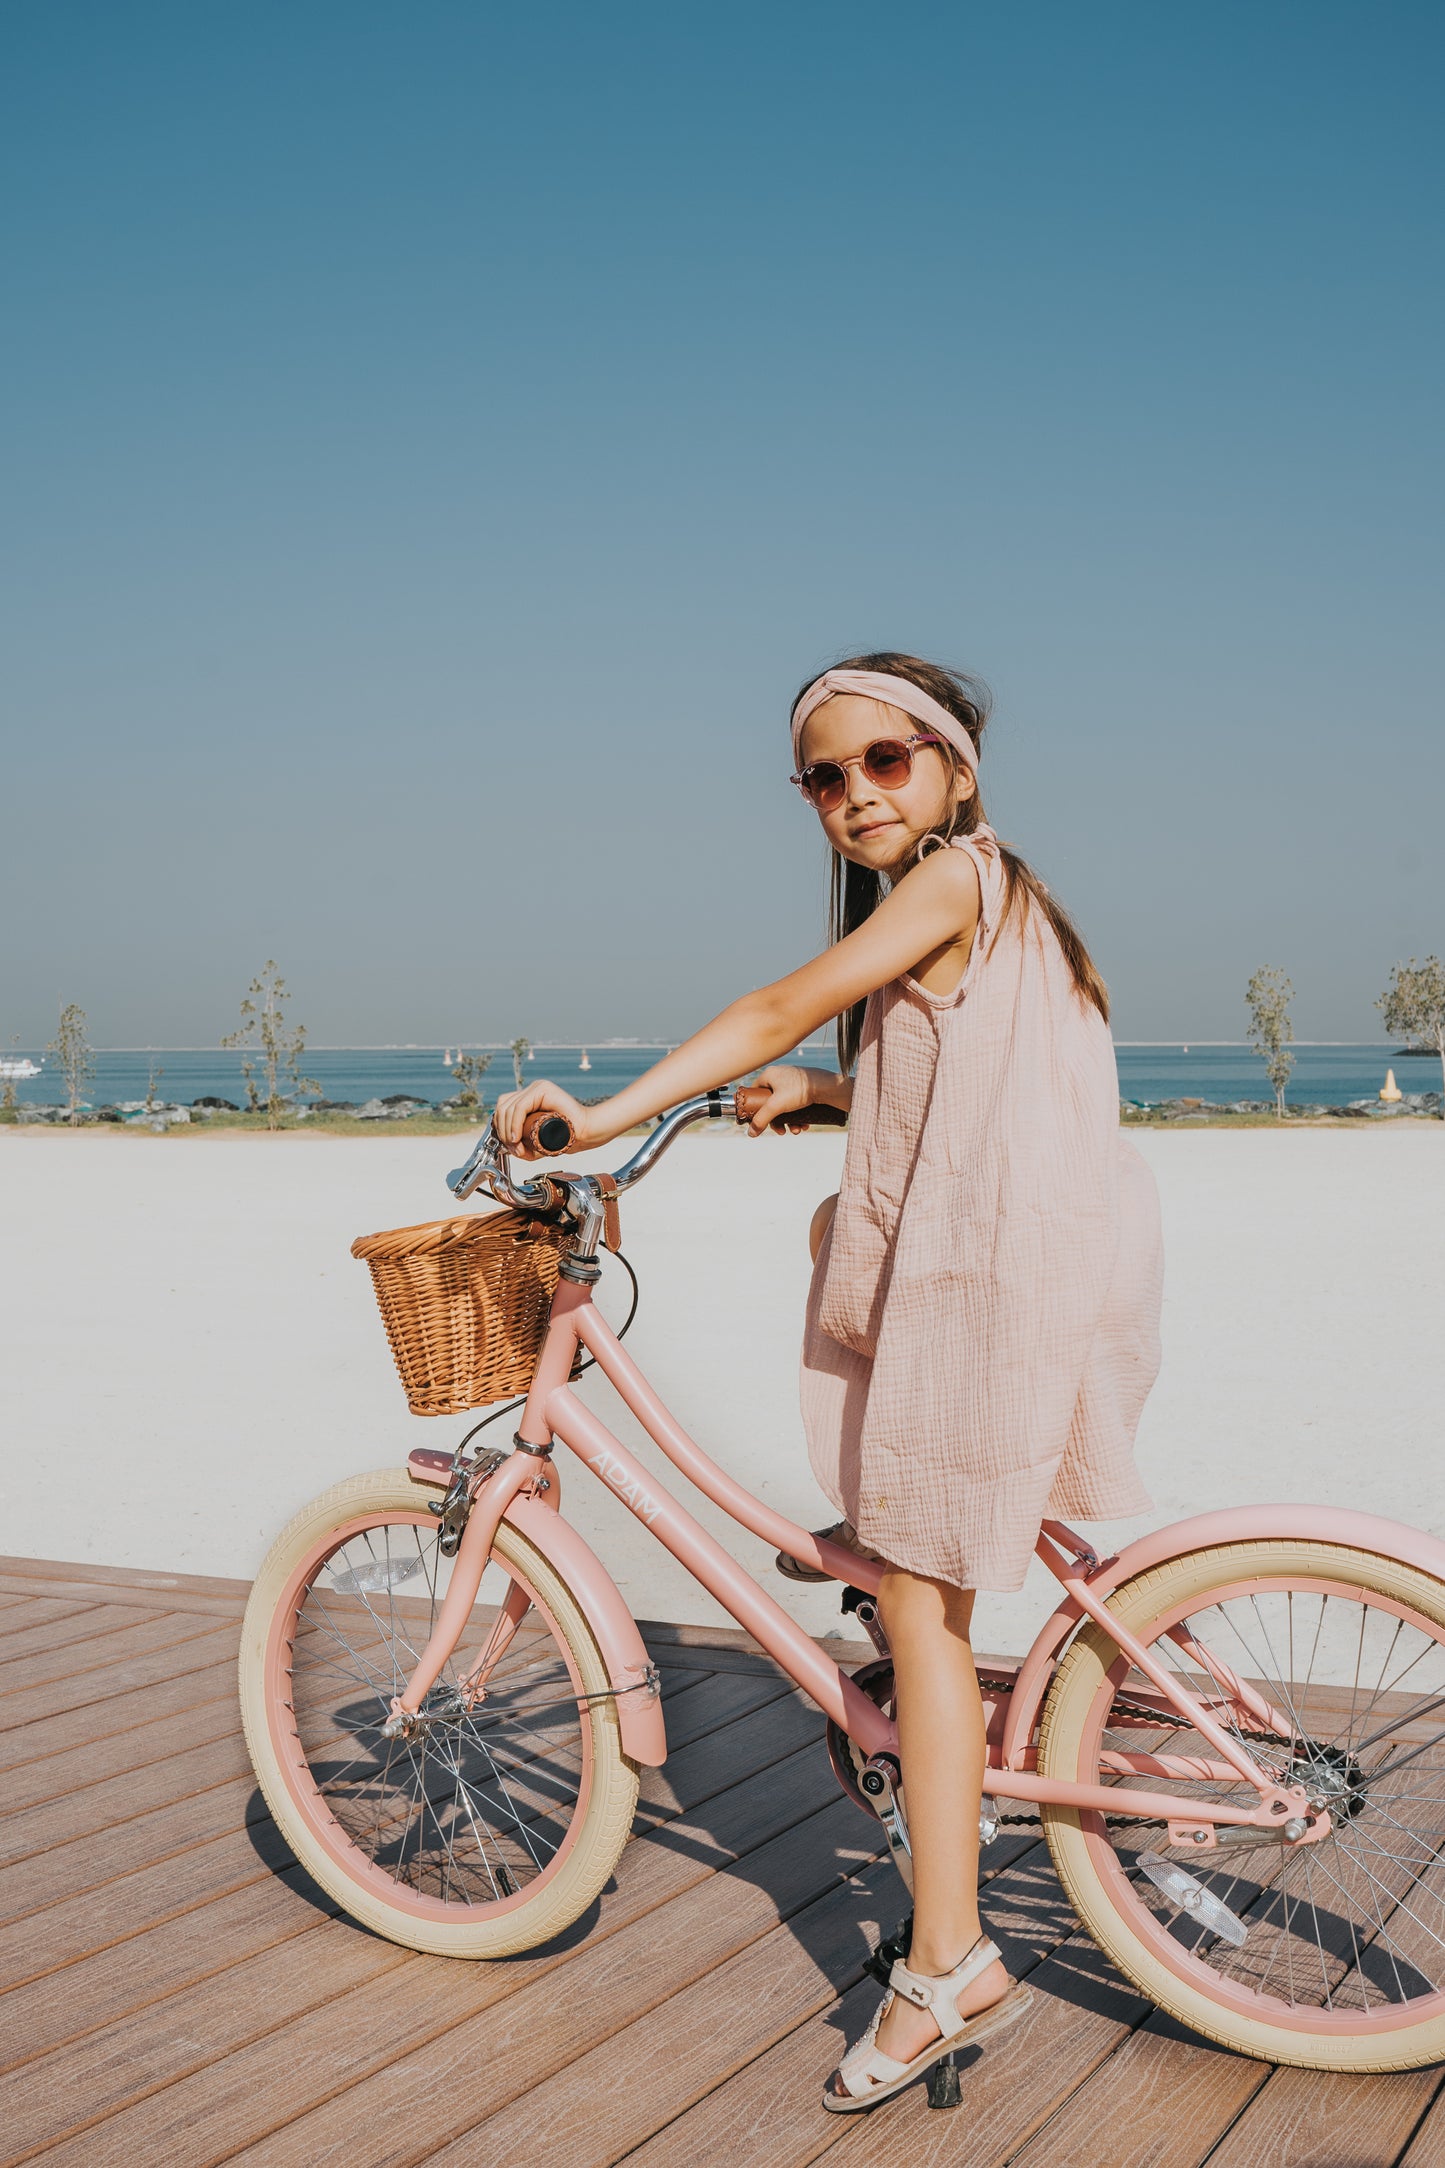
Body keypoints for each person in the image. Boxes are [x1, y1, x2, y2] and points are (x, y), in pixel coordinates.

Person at [495, 651, 1163, 2115]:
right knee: (911, 1556)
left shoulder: (950, 880)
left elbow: (777, 999)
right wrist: (827, 1093)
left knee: (924, 1619)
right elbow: (973, 1081)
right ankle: (906, 1623)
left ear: (955, 769)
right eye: (823, 775)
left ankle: (943, 1967)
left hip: (981, 1283)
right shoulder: (990, 900)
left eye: (885, 760)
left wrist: (597, 1118)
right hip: (1021, 1261)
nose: (855, 792)